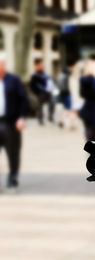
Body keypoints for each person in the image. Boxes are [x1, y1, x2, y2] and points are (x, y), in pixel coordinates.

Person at [0, 57, 29, 191]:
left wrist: (21, 117)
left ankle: (13, 178)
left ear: (3, 65)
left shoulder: (14, 80)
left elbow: (23, 100)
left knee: (13, 152)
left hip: (10, 122)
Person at [30, 58, 54, 125]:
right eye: (40, 65)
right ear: (36, 66)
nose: (42, 66)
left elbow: (49, 81)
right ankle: (40, 119)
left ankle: (50, 116)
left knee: (52, 103)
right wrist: (38, 92)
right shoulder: (34, 75)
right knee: (39, 107)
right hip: (40, 94)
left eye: (42, 65)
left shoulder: (45, 74)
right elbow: (33, 86)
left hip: (48, 92)